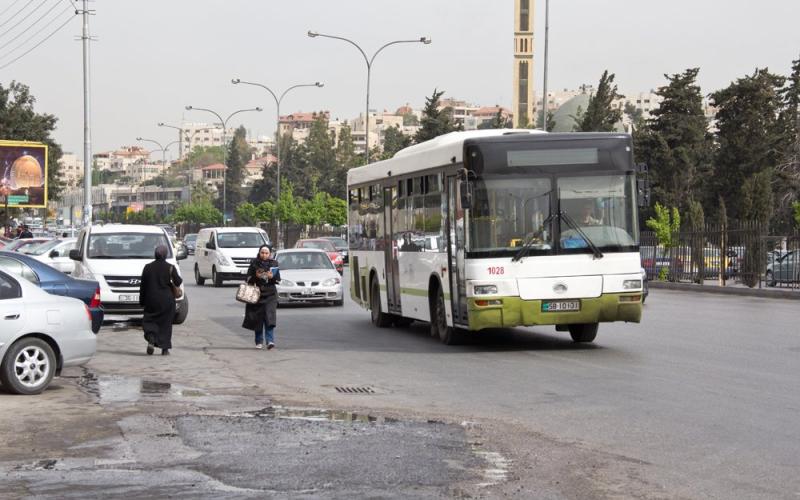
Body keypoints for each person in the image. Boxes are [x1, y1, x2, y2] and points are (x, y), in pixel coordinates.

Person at [139, 245, 182, 356]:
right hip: (166, 300)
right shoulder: (170, 267)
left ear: (155, 255)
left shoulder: (147, 267)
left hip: (151, 299)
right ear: (165, 255)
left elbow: (143, 286)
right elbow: (178, 282)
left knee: (149, 321)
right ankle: (165, 349)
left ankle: (151, 337)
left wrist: (142, 301)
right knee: (166, 324)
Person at [242, 245, 281, 350]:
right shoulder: (254, 263)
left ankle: (270, 341)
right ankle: (258, 341)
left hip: (270, 294)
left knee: (269, 317)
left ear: (270, 254)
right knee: (258, 318)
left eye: (266, 253)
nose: (264, 255)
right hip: (257, 294)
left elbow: (278, 279)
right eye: (262, 253)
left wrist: (272, 277)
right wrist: (256, 276)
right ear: (259, 253)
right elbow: (248, 278)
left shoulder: (274, 263)